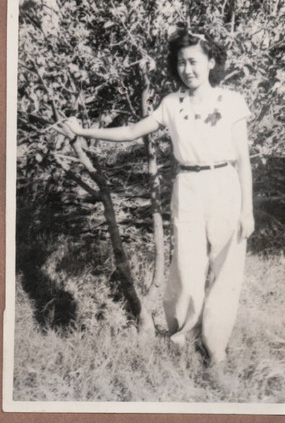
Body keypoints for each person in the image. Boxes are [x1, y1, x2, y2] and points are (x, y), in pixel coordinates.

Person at [66, 29, 254, 365]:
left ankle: (216, 346)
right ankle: (182, 335)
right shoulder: (172, 104)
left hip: (226, 184)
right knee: (186, 268)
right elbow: (130, 132)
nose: (188, 69)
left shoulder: (232, 102)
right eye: (181, 62)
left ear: (211, 62)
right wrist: (83, 131)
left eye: (194, 61)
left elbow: (243, 160)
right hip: (188, 188)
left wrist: (247, 210)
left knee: (227, 271)